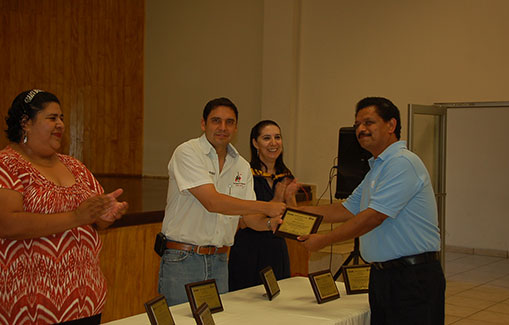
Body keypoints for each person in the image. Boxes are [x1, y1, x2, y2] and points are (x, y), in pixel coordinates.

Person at [0, 89, 128, 324]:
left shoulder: (74, 166)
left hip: (85, 304)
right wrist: (77, 217)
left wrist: (106, 214)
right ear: (25, 123)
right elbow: (4, 224)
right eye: (52, 118)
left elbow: (96, 219)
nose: (60, 124)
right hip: (23, 310)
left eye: (62, 118)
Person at [298, 97, 445, 324]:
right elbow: (345, 209)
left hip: (412, 278)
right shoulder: (377, 168)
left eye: (369, 122)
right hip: (383, 276)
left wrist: (323, 240)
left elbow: (373, 217)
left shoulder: (402, 163)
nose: (361, 129)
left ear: (391, 125)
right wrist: (290, 212)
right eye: (357, 125)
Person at [158, 98, 286, 306]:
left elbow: (250, 219)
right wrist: (266, 206)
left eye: (229, 122)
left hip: (219, 260)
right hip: (183, 259)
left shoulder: (241, 166)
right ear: (203, 124)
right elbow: (212, 202)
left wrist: (272, 224)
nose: (223, 127)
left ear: (236, 127)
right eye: (216, 121)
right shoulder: (188, 152)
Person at [228, 120, 298, 291]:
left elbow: (294, 225)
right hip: (250, 251)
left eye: (277, 137)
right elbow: (245, 221)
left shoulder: (285, 175)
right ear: (255, 143)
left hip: (277, 250)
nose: (273, 143)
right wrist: (277, 197)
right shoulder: (244, 175)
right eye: (267, 138)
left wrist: (289, 198)